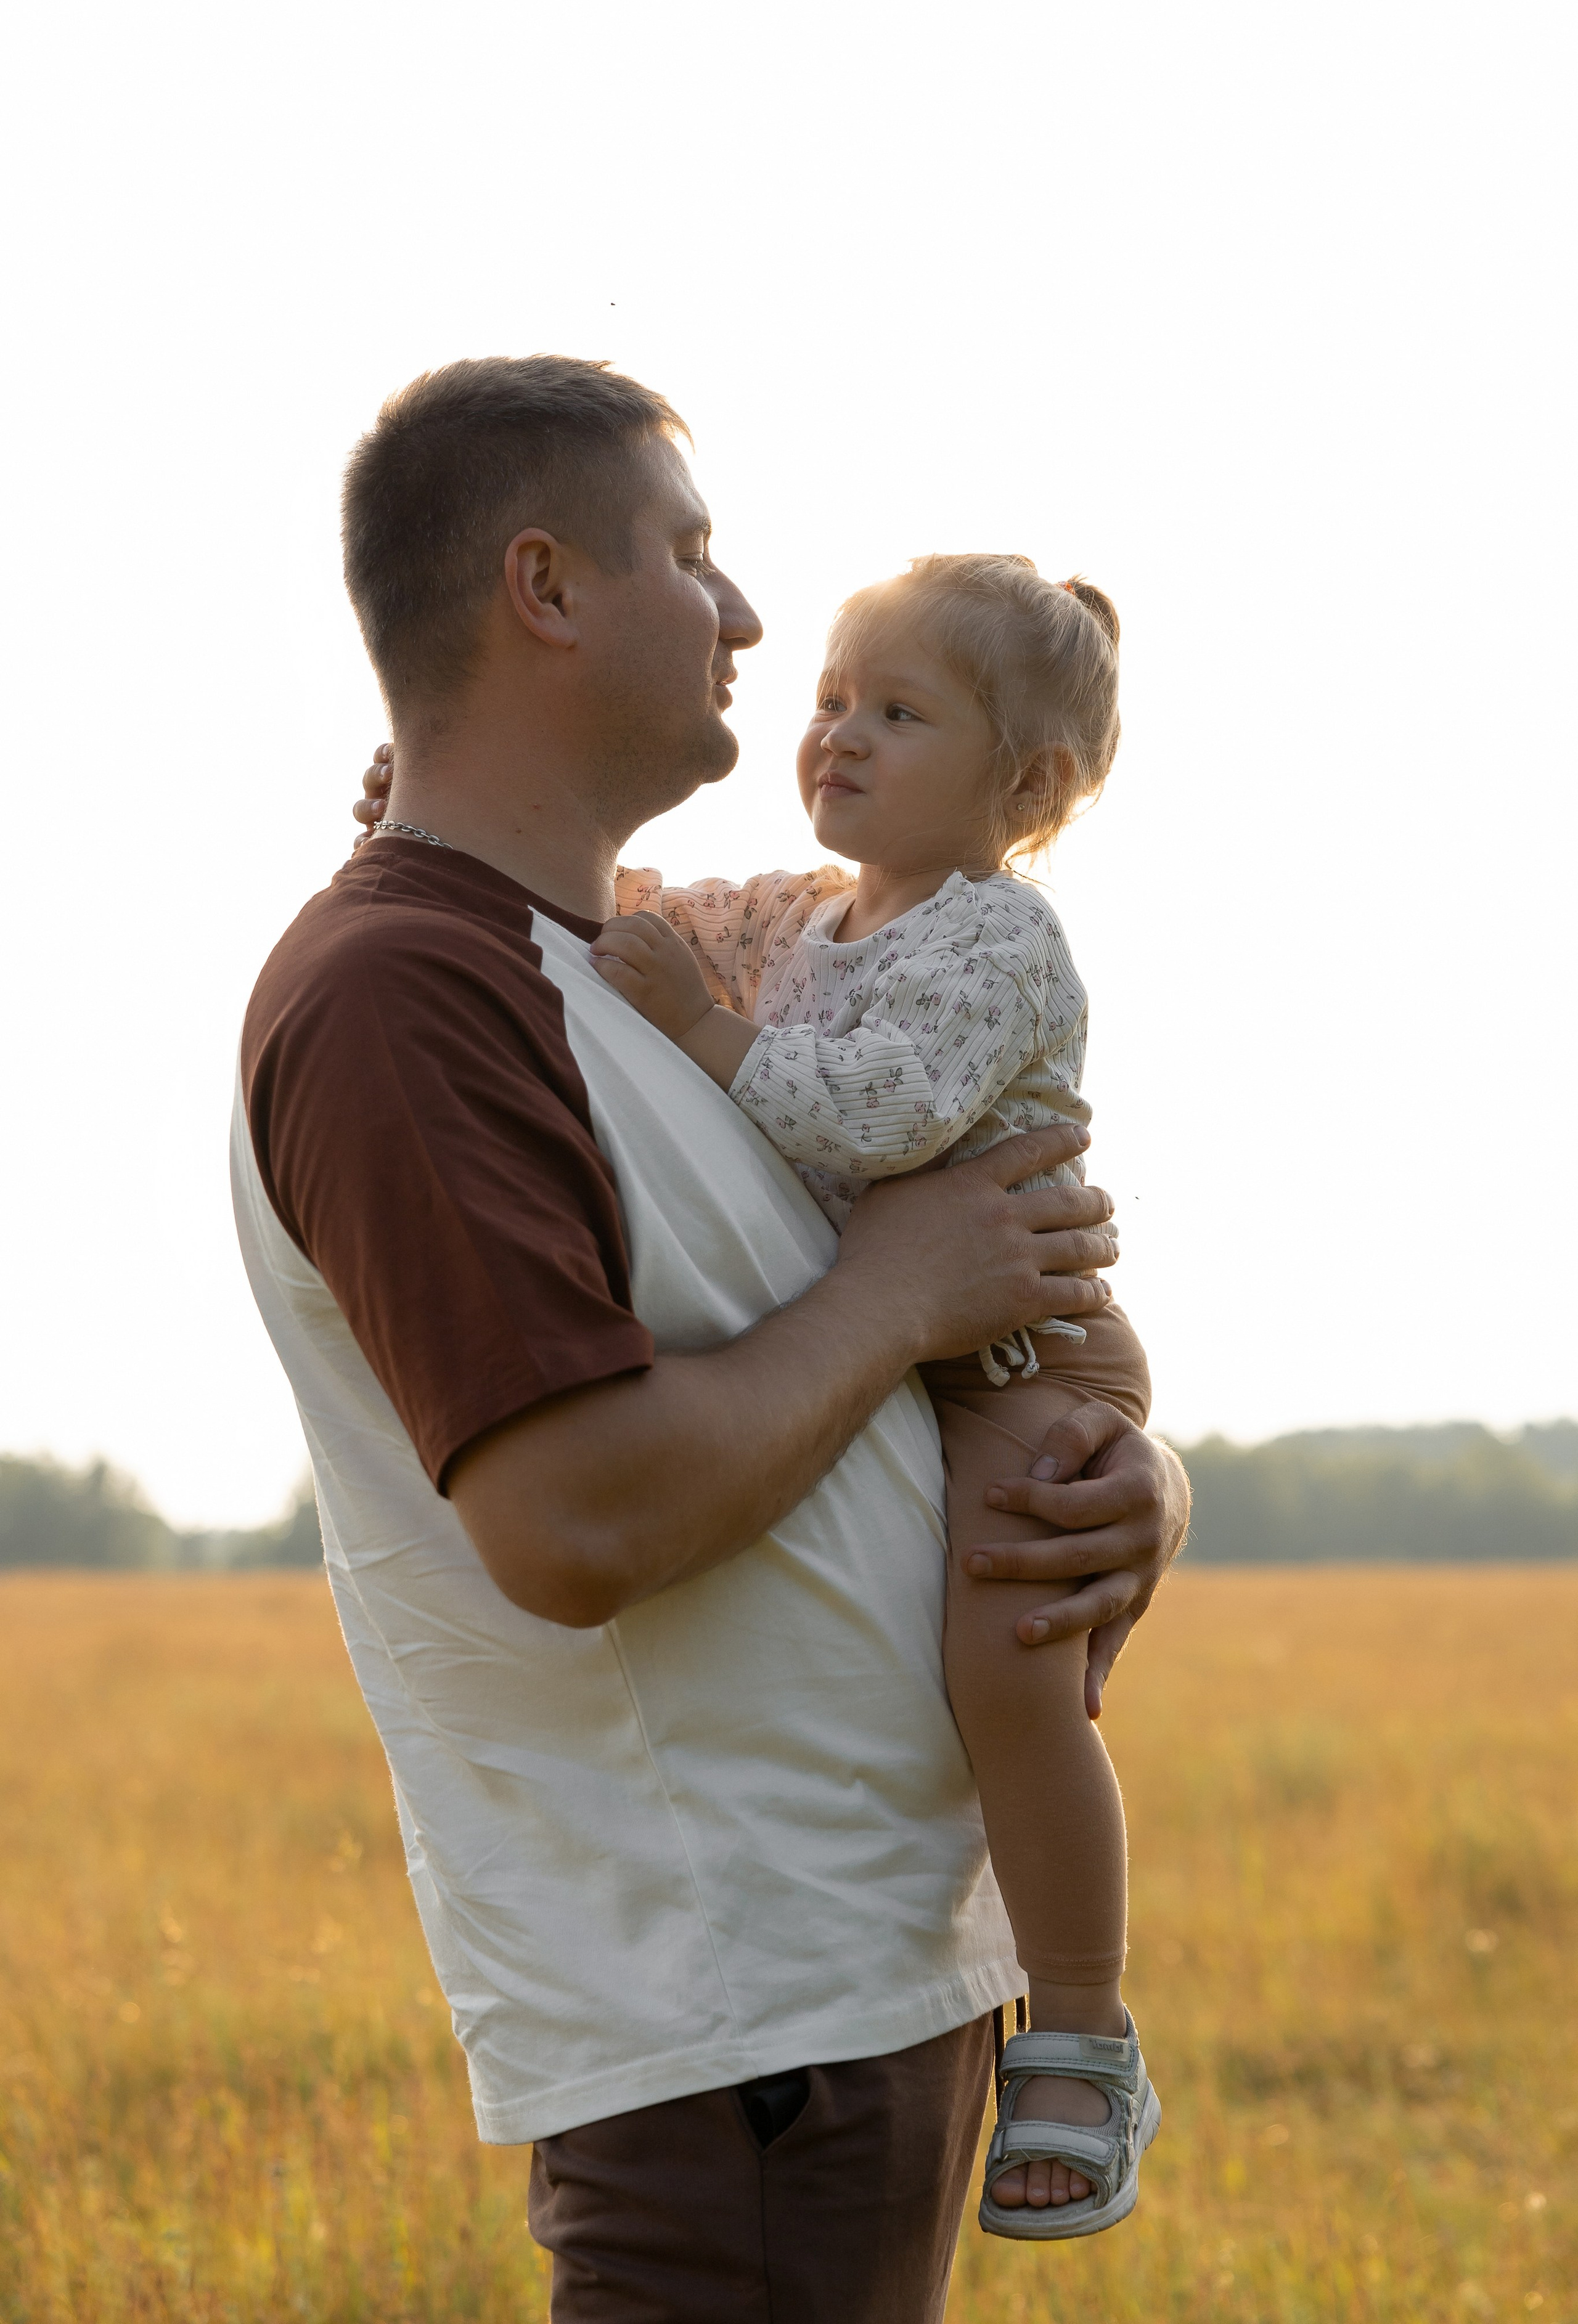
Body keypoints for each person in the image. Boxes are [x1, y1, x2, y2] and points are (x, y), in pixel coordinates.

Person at [239, 353, 1190, 2324]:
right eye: (691, 552)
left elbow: (883, 1321)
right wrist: (905, 1293)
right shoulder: (400, 999)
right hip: (730, 2024)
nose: (752, 617)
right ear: (545, 589)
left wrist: (1126, 1485)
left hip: (843, 1990)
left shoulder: (624, 958)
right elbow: (574, 1519)